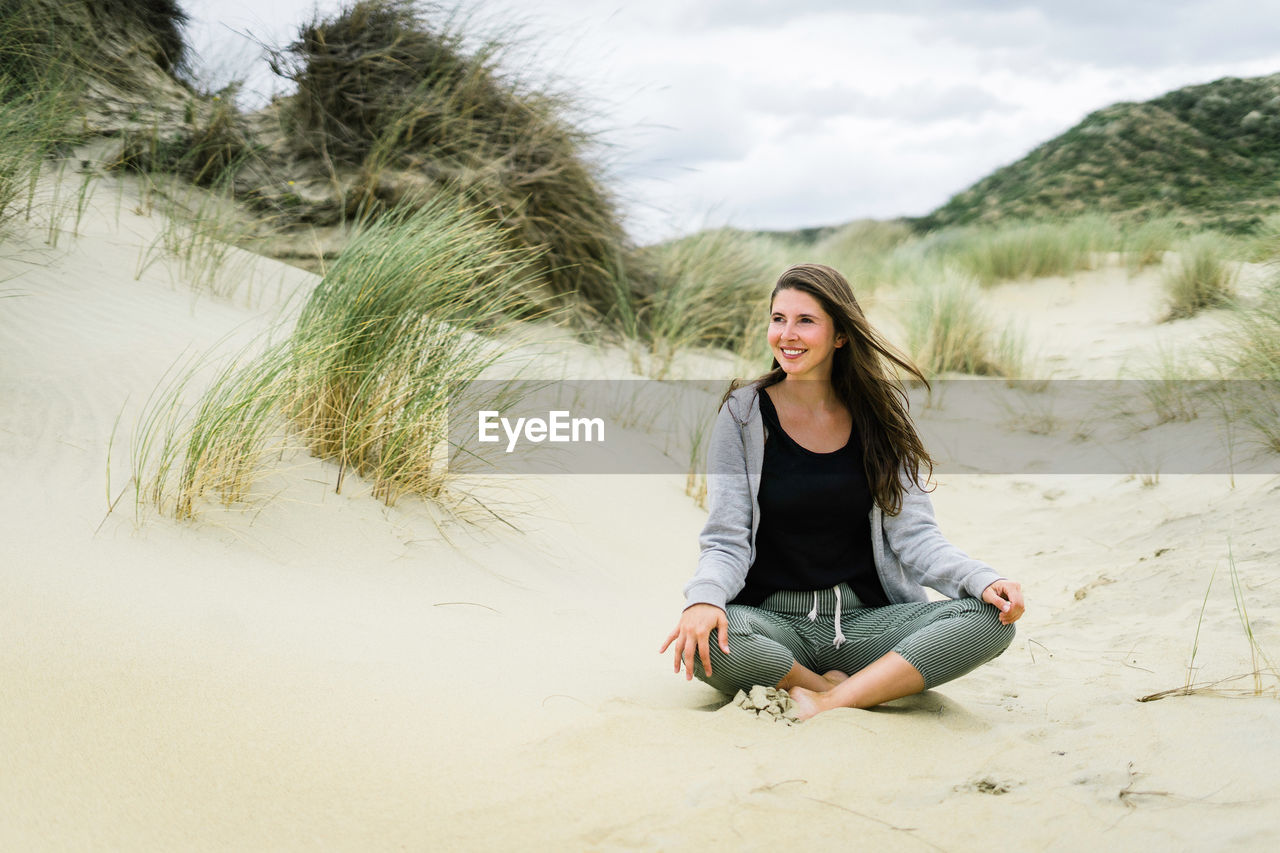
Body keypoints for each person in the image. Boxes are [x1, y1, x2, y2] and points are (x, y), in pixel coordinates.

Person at [659, 263, 1024, 721]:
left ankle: (830, 700)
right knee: (706, 638)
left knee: (991, 621)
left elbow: (916, 538)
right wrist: (705, 598)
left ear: (840, 336)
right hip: (774, 626)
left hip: (868, 624)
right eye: (778, 319)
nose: (786, 334)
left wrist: (982, 579)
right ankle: (841, 688)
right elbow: (727, 537)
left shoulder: (881, 419)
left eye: (805, 321)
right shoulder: (744, 415)